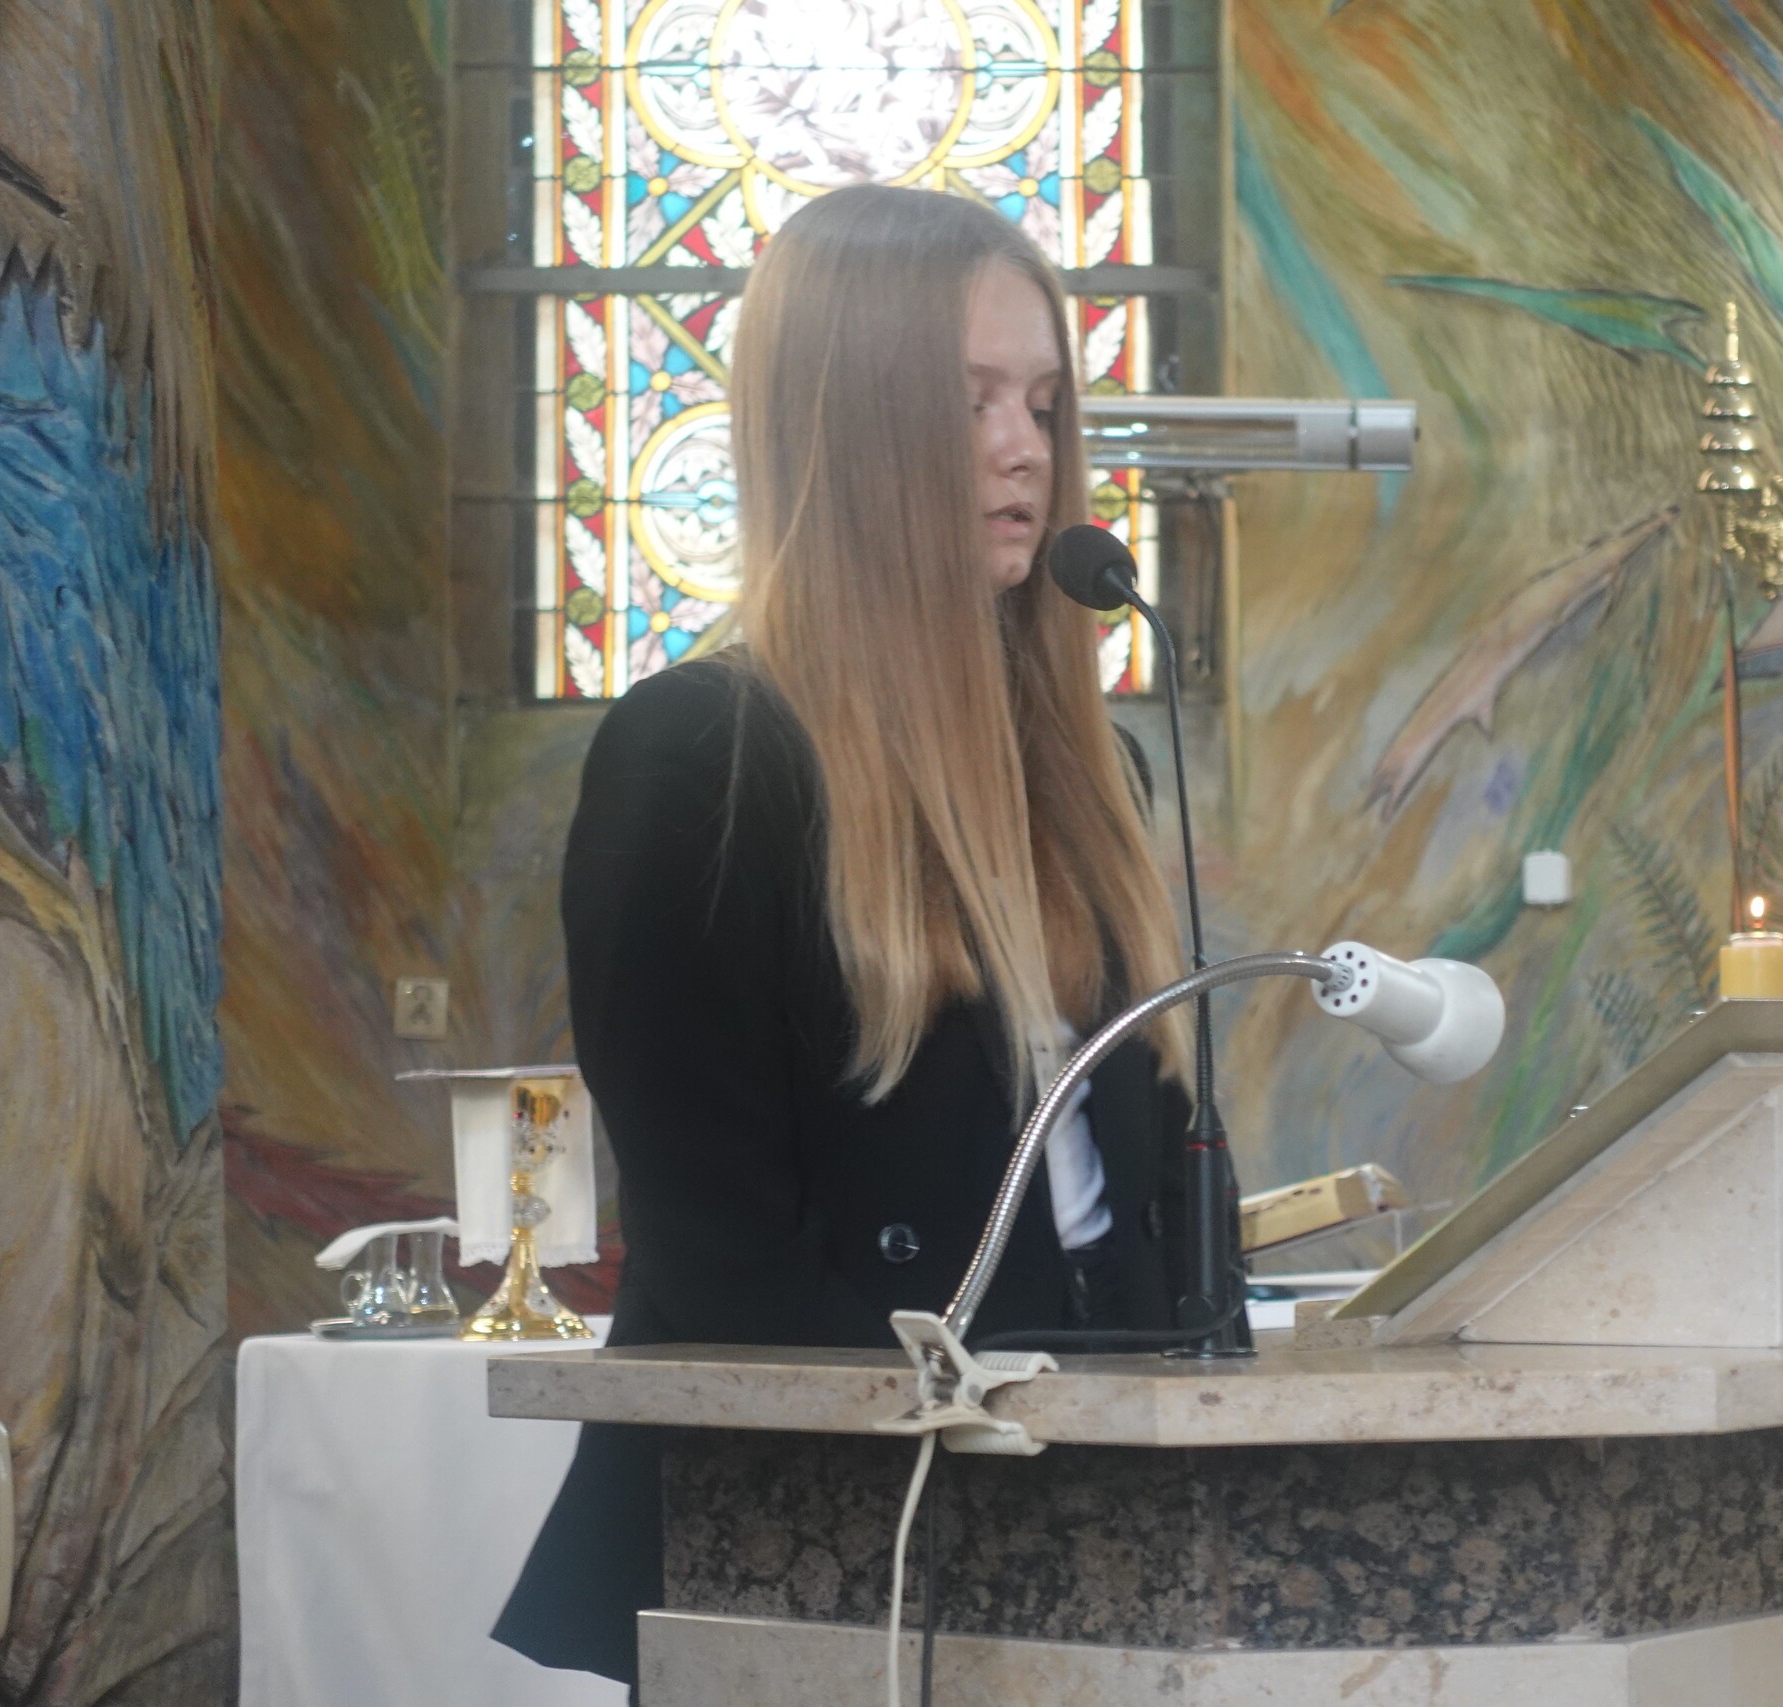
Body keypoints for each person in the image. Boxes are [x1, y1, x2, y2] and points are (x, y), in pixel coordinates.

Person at [491, 183, 1195, 1695]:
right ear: (847, 425)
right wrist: (970, 1466)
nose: (1026, 447)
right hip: (822, 1527)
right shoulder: (704, 760)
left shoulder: (1103, 774)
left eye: (1045, 404)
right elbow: (725, 1258)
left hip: (1103, 1500)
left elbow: (1137, 1188)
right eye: (971, 401)